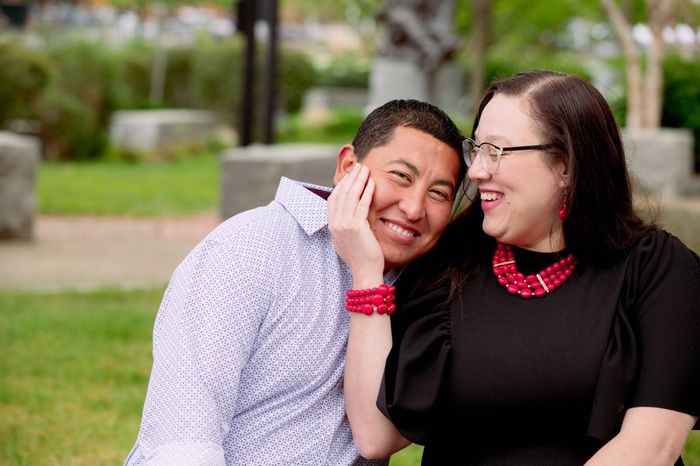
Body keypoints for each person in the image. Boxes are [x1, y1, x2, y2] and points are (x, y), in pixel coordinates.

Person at [329, 70, 700, 465]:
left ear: (566, 166)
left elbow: (652, 446)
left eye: (497, 151)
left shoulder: (657, 268)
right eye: (478, 149)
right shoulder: (449, 264)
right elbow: (375, 435)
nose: (476, 171)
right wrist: (367, 274)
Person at [123, 99, 466, 466]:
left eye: (439, 194)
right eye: (401, 176)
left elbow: (383, 433)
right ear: (348, 166)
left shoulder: (431, 286)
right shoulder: (251, 248)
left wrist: (367, 272)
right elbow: (184, 438)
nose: (414, 208)